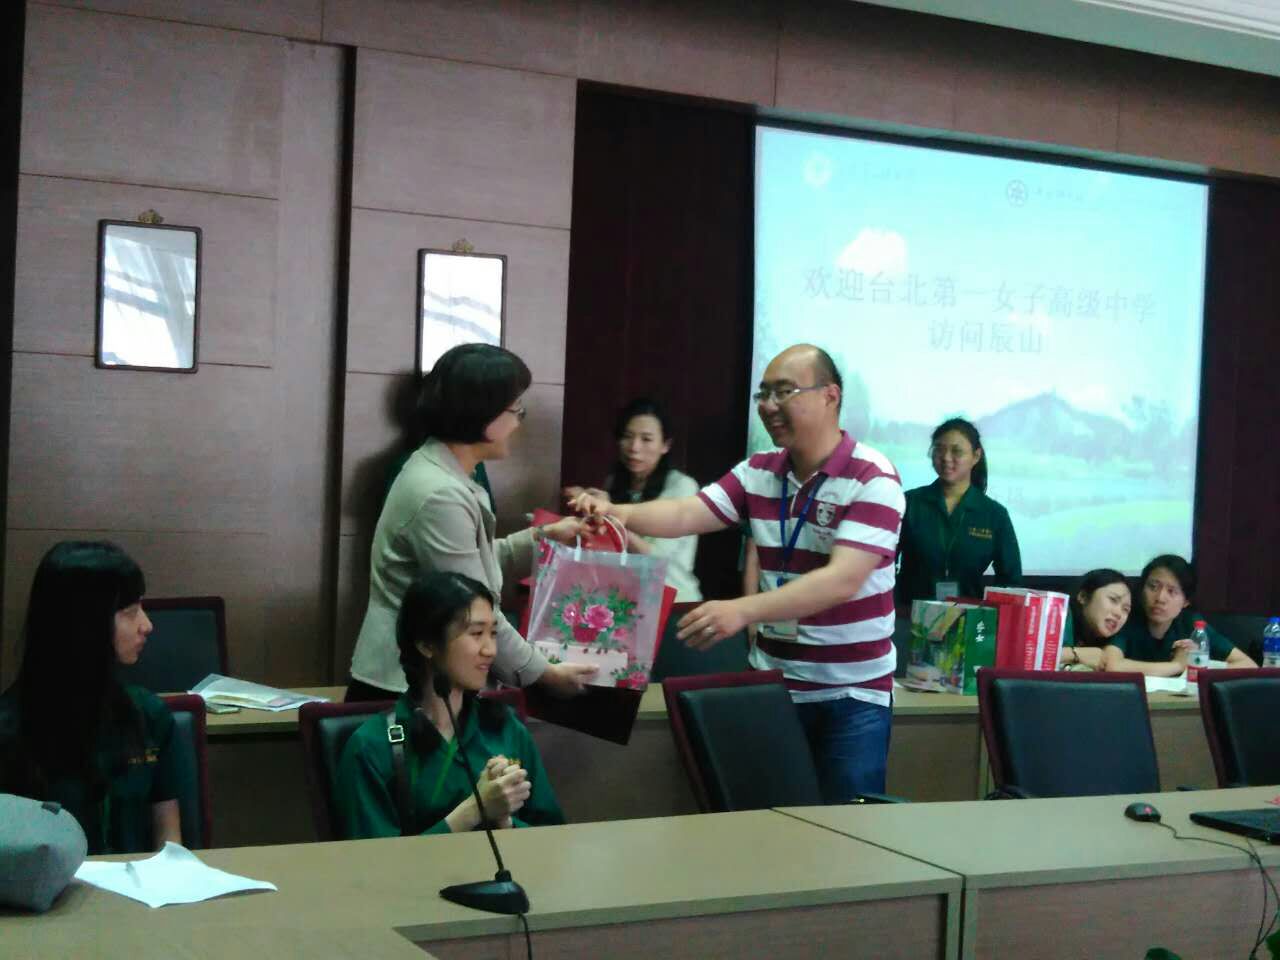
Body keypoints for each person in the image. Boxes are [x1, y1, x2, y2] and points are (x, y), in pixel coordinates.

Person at [572, 344, 905, 802]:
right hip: (773, 682)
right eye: (763, 394)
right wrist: (618, 513)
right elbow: (688, 512)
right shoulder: (758, 471)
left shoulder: (872, 477)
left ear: (830, 395)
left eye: (784, 392)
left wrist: (743, 610)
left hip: (851, 694)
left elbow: (842, 580)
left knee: (847, 825)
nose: (769, 406)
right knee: (768, 818)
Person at [346, 343, 597, 702]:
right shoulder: (439, 493)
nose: (519, 423)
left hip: (427, 683)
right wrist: (543, 673)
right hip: (406, 689)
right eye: (516, 410)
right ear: (484, 414)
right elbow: (472, 605)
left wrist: (546, 538)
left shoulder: (443, 470)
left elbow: (471, 564)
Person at [336, 572, 564, 838]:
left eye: (493, 634)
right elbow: (371, 860)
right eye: (476, 633)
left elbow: (551, 836)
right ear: (426, 644)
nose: (490, 650)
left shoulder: (505, 729)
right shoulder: (372, 746)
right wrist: (474, 810)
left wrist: (505, 821)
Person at [0, 542, 182, 854]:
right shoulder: (9, 731)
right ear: (83, 624)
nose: (147, 625)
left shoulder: (150, 715)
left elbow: (170, 842)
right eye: (130, 612)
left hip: (137, 884)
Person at [563, 398, 702, 601]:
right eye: (627, 437)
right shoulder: (614, 482)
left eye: (646, 439)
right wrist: (588, 510)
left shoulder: (682, 487)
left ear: (665, 445)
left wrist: (609, 515)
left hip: (674, 600)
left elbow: (656, 558)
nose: (634, 447)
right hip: (626, 600)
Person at [896, 418, 1021, 606]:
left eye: (956, 451)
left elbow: (1010, 581)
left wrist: (990, 615)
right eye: (939, 449)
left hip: (968, 618)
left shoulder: (994, 514)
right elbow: (882, 563)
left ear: (976, 456)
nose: (946, 458)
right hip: (909, 615)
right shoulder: (909, 503)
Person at [1103, 554, 1257, 675]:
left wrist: (1198, 666)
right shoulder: (1129, 619)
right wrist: (1177, 665)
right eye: (1153, 587)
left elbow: (1248, 665)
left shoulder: (1192, 625)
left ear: (1186, 602)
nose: (1160, 598)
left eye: (1172, 591)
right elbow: (1111, 665)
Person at [1059, 569, 1132, 670]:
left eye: (1126, 609)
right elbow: (1035, 657)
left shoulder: (1113, 638)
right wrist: (1075, 654)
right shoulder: (1057, 613)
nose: (1119, 614)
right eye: (1113, 600)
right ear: (1083, 596)